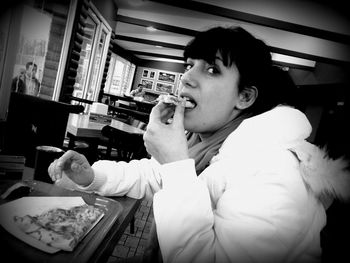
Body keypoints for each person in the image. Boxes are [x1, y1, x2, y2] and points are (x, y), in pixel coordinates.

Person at [48, 26, 350, 263]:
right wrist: (92, 176)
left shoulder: (274, 169)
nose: (186, 78)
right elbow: (152, 175)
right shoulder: (205, 140)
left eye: (211, 69)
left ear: (244, 97)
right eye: (189, 65)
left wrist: (176, 165)